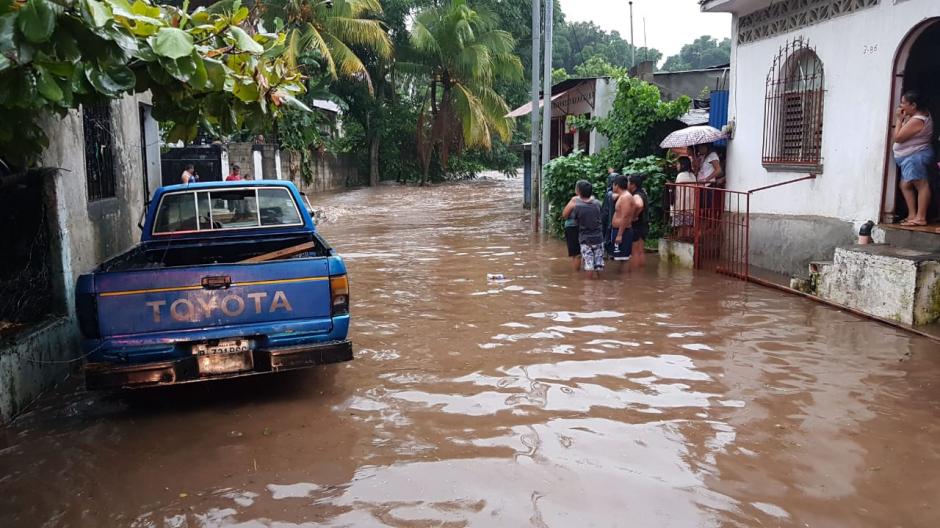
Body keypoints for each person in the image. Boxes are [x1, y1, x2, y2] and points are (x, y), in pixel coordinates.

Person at [892, 90, 934, 226]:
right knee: (905, 185)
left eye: (904, 103)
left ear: (913, 105)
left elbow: (898, 138)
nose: (901, 106)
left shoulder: (918, 120)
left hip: (915, 156)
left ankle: (920, 217)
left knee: (921, 184)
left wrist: (898, 119)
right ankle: (912, 215)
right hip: (911, 157)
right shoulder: (916, 115)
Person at [568, 180, 605, 277]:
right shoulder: (597, 203)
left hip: (585, 239)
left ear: (579, 192)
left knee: (589, 265)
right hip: (598, 238)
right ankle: (600, 285)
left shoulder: (578, 207)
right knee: (599, 264)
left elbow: (574, 219)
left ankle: (589, 288)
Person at [610, 175, 635, 264]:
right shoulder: (623, 196)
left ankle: (625, 277)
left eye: (613, 185)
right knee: (620, 259)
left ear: (616, 185)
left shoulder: (625, 197)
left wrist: (620, 234)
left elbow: (625, 216)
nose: (612, 187)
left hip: (623, 231)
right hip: (620, 230)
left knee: (623, 259)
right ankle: (623, 277)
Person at [627, 174, 649, 269]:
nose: (626, 184)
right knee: (640, 251)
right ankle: (640, 274)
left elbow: (639, 205)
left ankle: (635, 277)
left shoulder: (636, 195)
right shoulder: (642, 192)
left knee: (634, 252)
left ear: (633, 184)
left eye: (628, 182)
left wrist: (633, 216)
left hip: (637, 225)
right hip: (643, 224)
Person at [672, 156, 697, 239]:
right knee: (688, 227)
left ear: (682, 165)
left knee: (680, 228)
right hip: (691, 205)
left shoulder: (680, 175)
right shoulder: (693, 175)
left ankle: (681, 243)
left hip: (681, 205)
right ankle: (688, 242)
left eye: (678, 164)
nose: (677, 166)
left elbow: (678, 191)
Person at [600, 167, 621, 253]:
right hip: (609, 220)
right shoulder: (613, 194)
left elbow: (610, 212)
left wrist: (609, 225)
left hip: (609, 221)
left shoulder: (610, 194)